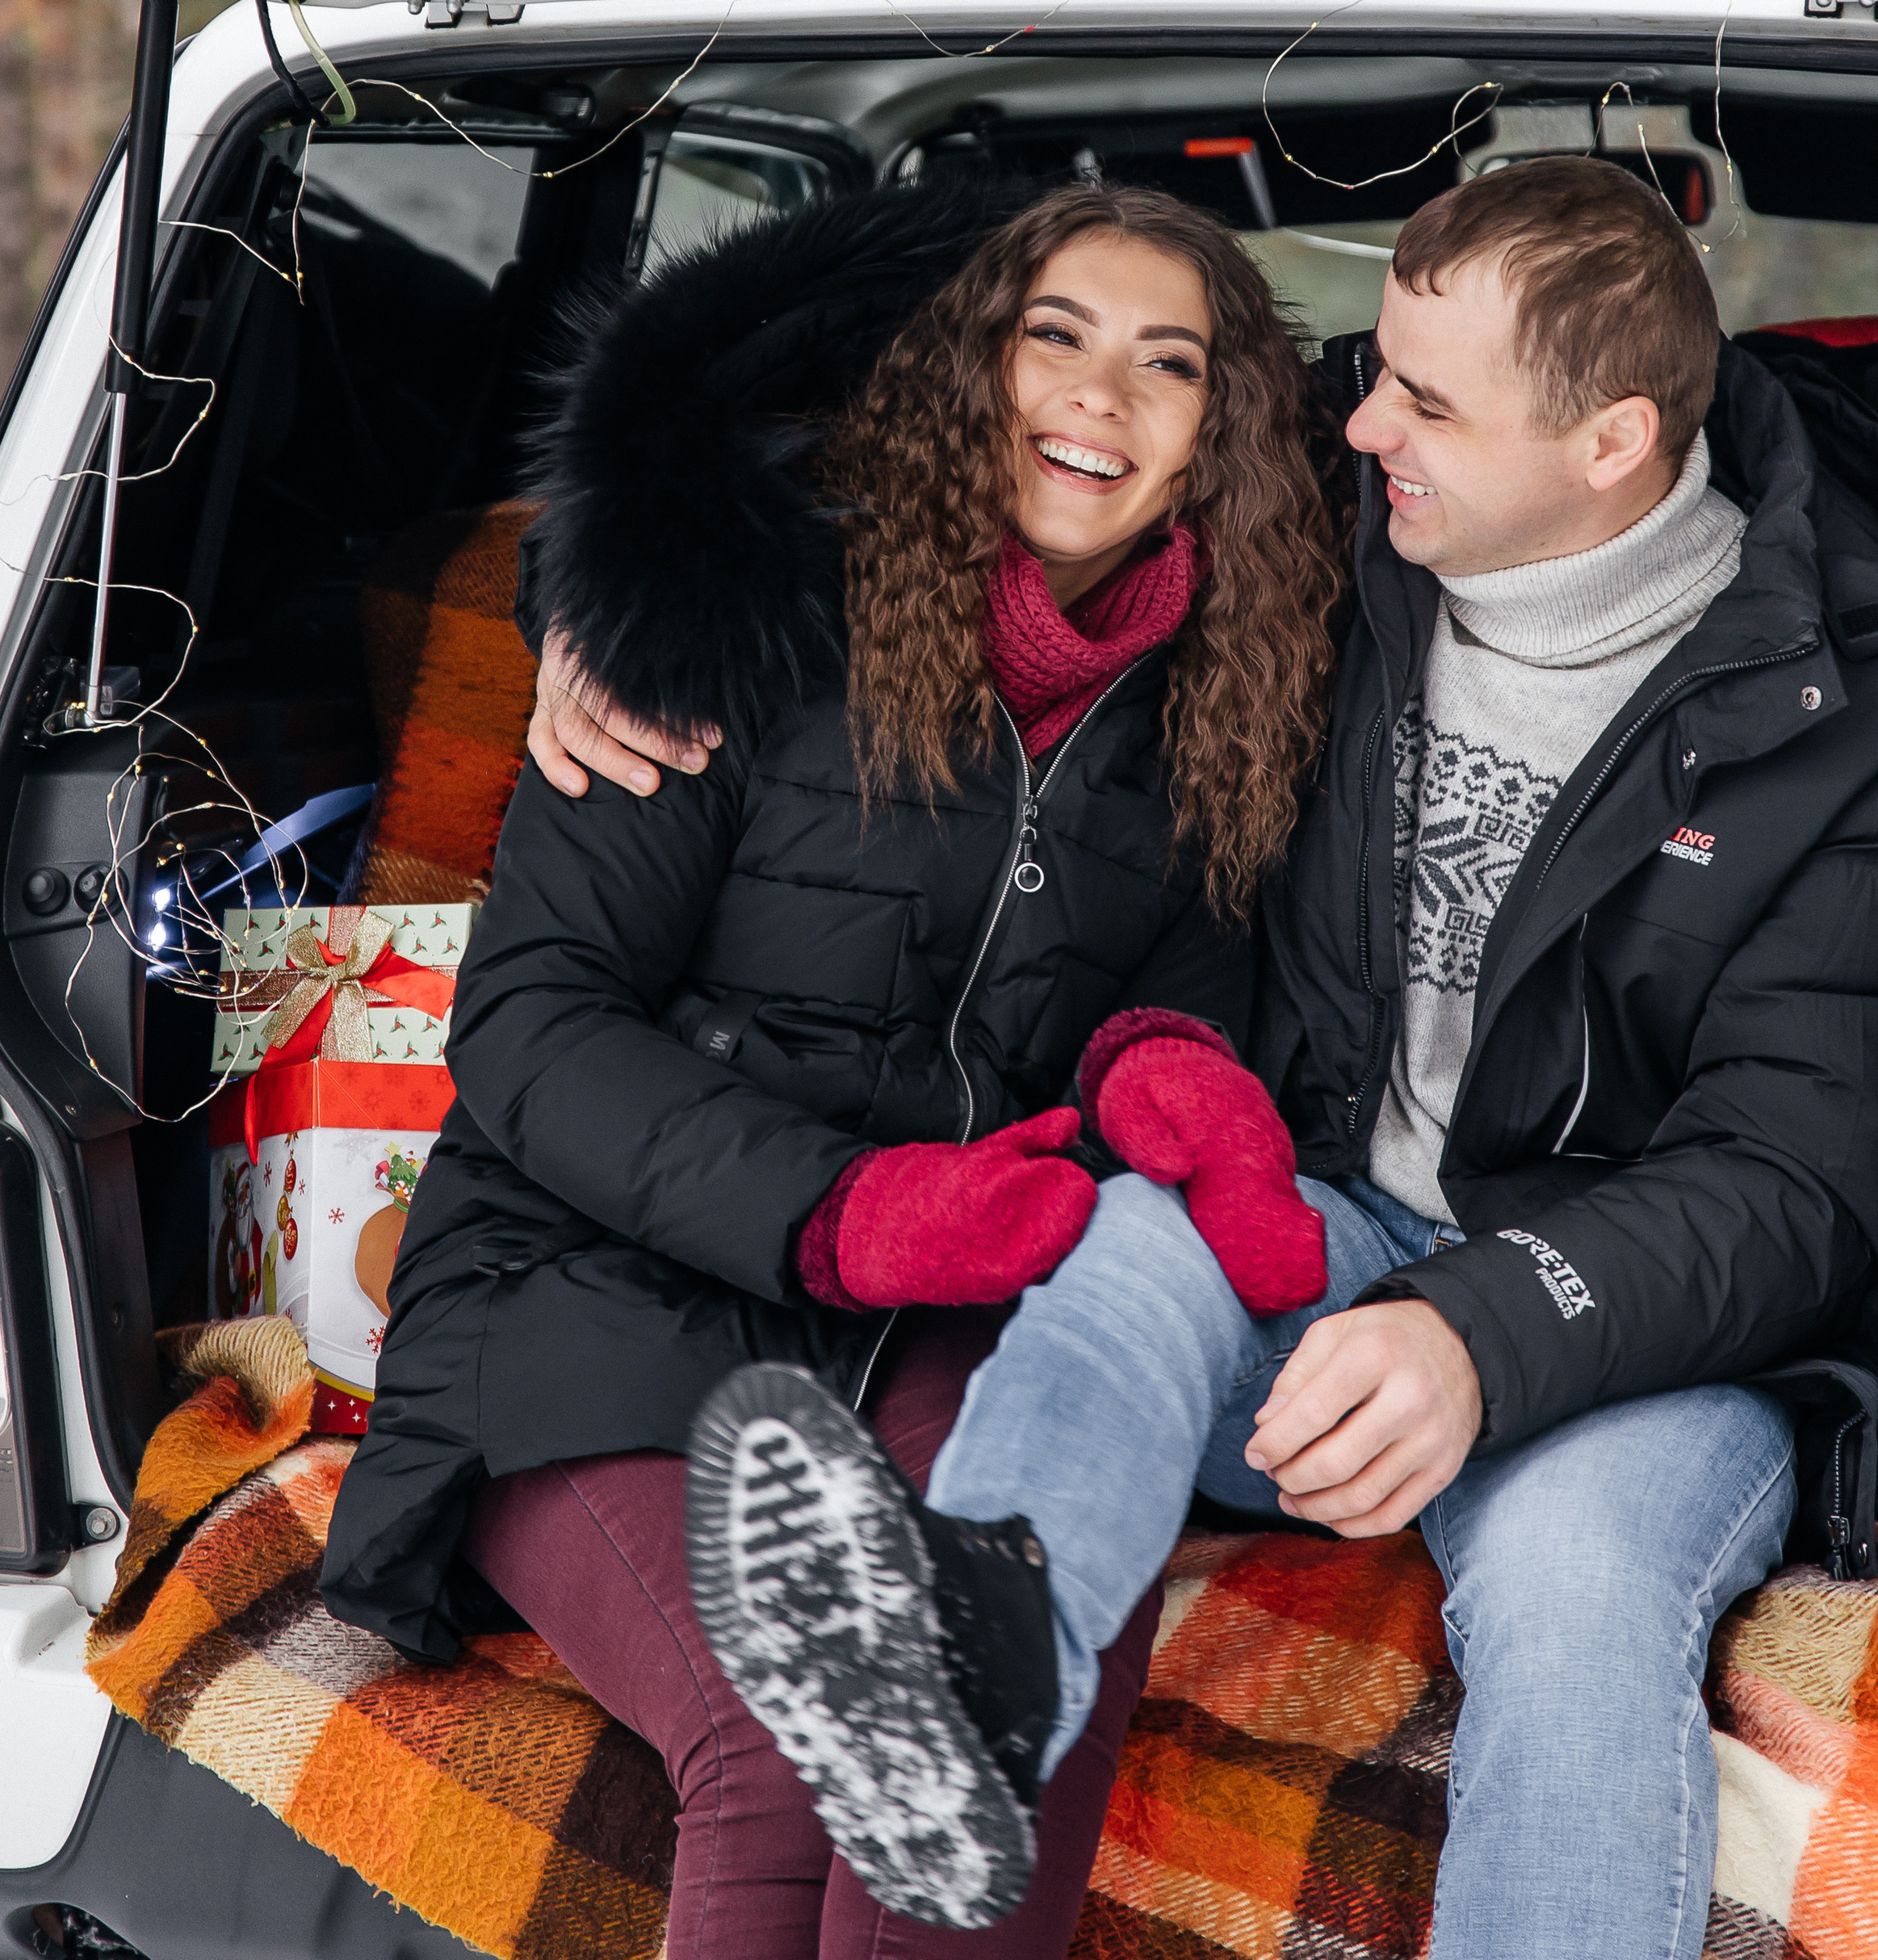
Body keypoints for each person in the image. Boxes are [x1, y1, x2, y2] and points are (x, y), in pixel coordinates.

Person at [568, 155, 1878, 1956]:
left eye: (1421, 398)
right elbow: (916, 412)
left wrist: (1479, 1334)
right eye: (1372, 366)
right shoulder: (1343, 520)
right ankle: (964, 1648)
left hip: (1655, 1329)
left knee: (1574, 1592)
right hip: (1319, 1220)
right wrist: (608, 599)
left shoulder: (1870, 722)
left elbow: (1801, 1187)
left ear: (1611, 440)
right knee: (1123, 1243)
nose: (1358, 420)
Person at [319, 170, 1347, 1960]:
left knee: (1011, 1667)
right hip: (592, 1302)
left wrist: (1165, 1076)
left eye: (1164, 365)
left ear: (1218, 439)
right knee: (792, 1748)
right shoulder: (729, 607)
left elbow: (1165, 994)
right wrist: (844, 1212)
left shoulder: (1218, 707)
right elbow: (534, 1030)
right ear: (966, 365)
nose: (1097, 397)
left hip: (947, 1316)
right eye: (1054, 336)